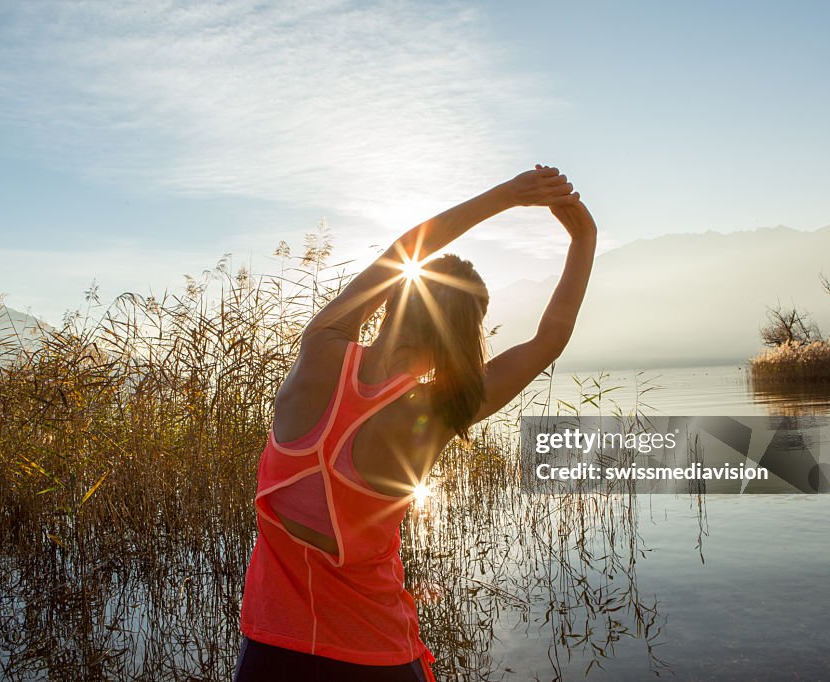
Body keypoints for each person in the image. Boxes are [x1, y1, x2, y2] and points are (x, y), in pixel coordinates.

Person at [235, 165, 597, 681]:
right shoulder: (443, 411)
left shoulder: (319, 349)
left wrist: (507, 194)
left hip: (272, 647)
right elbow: (550, 338)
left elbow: (406, 248)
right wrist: (585, 236)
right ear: (460, 340)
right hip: (375, 652)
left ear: (394, 304)